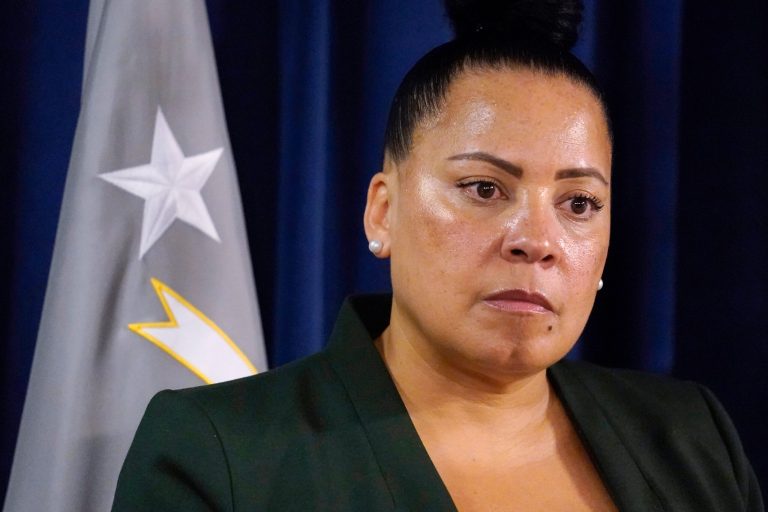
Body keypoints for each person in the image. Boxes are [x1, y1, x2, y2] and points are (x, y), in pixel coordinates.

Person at [112, 1, 764, 510]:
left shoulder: (690, 436)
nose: (536, 240)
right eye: (484, 189)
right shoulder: (218, 454)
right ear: (382, 211)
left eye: (579, 203)